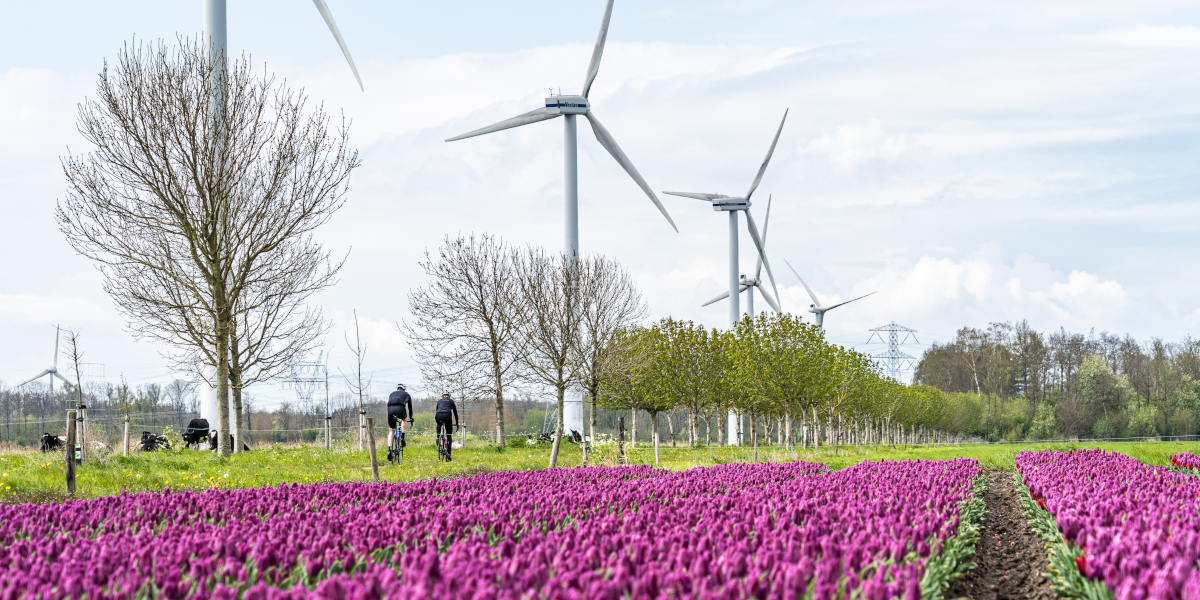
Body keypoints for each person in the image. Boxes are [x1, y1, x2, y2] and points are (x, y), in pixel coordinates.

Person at [387, 384, 413, 461]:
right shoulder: (407, 394)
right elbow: (410, 408)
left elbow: (388, 404)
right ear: (404, 389)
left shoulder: (391, 394)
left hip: (390, 411)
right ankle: (402, 436)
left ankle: (389, 450)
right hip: (401, 409)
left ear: (397, 389)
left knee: (391, 431)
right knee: (404, 420)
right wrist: (411, 418)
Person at [435, 392, 459, 460]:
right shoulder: (451, 401)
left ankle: (437, 437)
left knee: (439, 424)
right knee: (449, 434)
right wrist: (457, 423)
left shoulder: (439, 401)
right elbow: (455, 413)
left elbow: (437, 410)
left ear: (442, 397)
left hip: (438, 415)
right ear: (449, 397)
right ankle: (449, 454)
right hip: (447, 415)